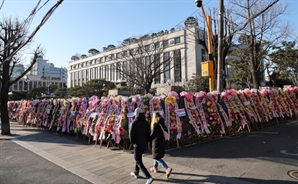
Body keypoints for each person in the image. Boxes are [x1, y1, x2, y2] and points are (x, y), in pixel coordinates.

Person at [129, 108, 154, 184]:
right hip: (143, 144)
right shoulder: (146, 122)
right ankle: (136, 172)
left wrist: (132, 143)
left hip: (137, 144)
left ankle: (148, 177)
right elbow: (148, 133)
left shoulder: (134, 123)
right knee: (138, 158)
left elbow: (131, 135)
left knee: (138, 160)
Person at [149, 112, 172, 179]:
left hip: (156, 142)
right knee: (156, 155)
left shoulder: (155, 125)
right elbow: (166, 131)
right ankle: (155, 167)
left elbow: (153, 135)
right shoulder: (162, 123)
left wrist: (147, 139)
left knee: (156, 157)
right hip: (162, 141)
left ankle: (167, 168)